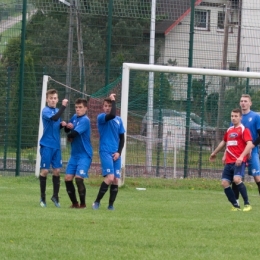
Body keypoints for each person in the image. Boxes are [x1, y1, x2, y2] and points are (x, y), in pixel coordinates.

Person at [209, 108, 253, 212]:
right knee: (224, 183)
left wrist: (242, 157)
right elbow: (224, 143)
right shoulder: (229, 130)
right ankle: (235, 206)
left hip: (238, 161)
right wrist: (214, 153)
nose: (233, 118)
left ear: (240, 117)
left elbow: (250, 144)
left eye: (236, 116)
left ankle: (247, 204)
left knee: (237, 180)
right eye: (232, 116)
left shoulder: (243, 129)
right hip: (229, 161)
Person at [92, 93, 125, 210]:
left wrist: (119, 152)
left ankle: (110, 206)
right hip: (105, 151)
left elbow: (122, 138)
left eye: (109, 106)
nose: (107, 107)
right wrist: (113, 100)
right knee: (110, 178)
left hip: (115, 153)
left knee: (116, 179)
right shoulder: (101, 117)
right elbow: (111, 115)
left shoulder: (119, 120)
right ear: (103, 107)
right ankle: (96, 202)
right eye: (105, 105)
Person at [39, 89, 68, 208]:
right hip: (47, 145)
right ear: (47, 99)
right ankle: (42, 198)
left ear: (57, 99)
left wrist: (62, 125)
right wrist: (63, 107)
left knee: (57, 171)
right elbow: (54, 118)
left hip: (56, 146)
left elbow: (56, 124)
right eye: (51, 98)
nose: (53, 100)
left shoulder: (57, 111)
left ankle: (55, 197)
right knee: (45, 171)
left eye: (55, 98)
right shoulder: (45, 110)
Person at [231, 94, 260, 204]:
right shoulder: (236, 118)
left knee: (257, 177)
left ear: (250, 103)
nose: (243, 103)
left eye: (246, 101)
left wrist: (251, 147)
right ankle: (236, 203)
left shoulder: (256, 117)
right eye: (242, 101)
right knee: (236, 176)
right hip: (238, 152)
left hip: (253, 150)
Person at [64, 98, 93, 208]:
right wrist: (67, 126)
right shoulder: (74, 117)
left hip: (85, 154)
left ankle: (83, 205)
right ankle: (75, 204)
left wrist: (70, 133)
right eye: (76, 107)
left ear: (86, 108)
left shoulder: (85, 120)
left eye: (80, 107)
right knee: (67, 179)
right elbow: (67, 131)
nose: (78, 109)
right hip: (74, 154)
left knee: (79, 178)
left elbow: (73, 133)